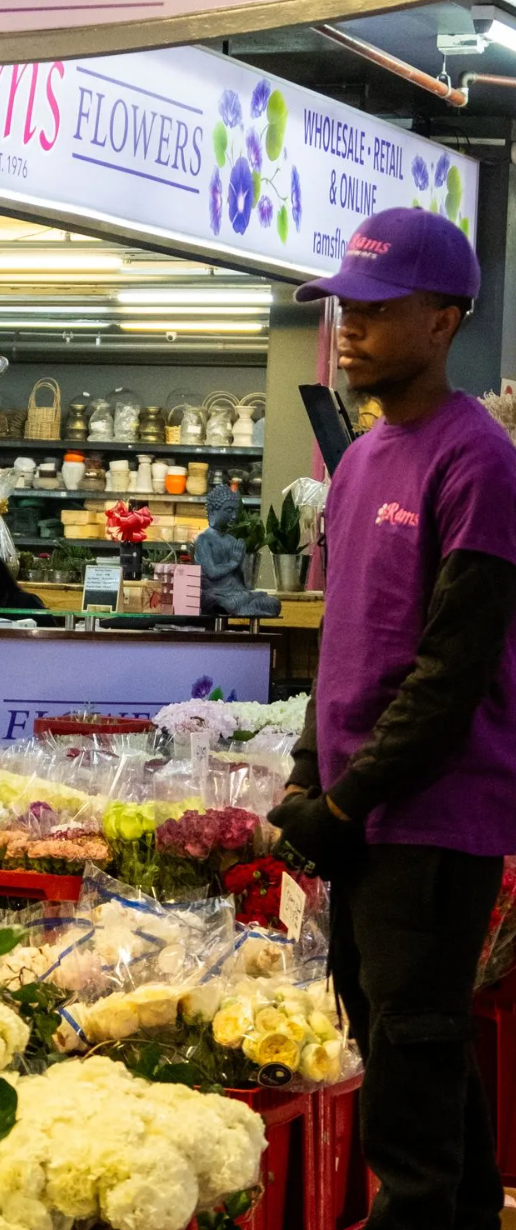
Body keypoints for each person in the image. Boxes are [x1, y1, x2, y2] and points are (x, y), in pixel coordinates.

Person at [269, 207, 516, 1230]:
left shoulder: (481, 461)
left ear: (445, 319)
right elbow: (348, 645)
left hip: (433, 814)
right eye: (345, 311)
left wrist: (350, 796)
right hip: (362, 809)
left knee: (406, 1096)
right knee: (407, 1042)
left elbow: (452, 667)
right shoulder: (363, 460)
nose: (351, 330)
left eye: (377, 311)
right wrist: (301, 768)